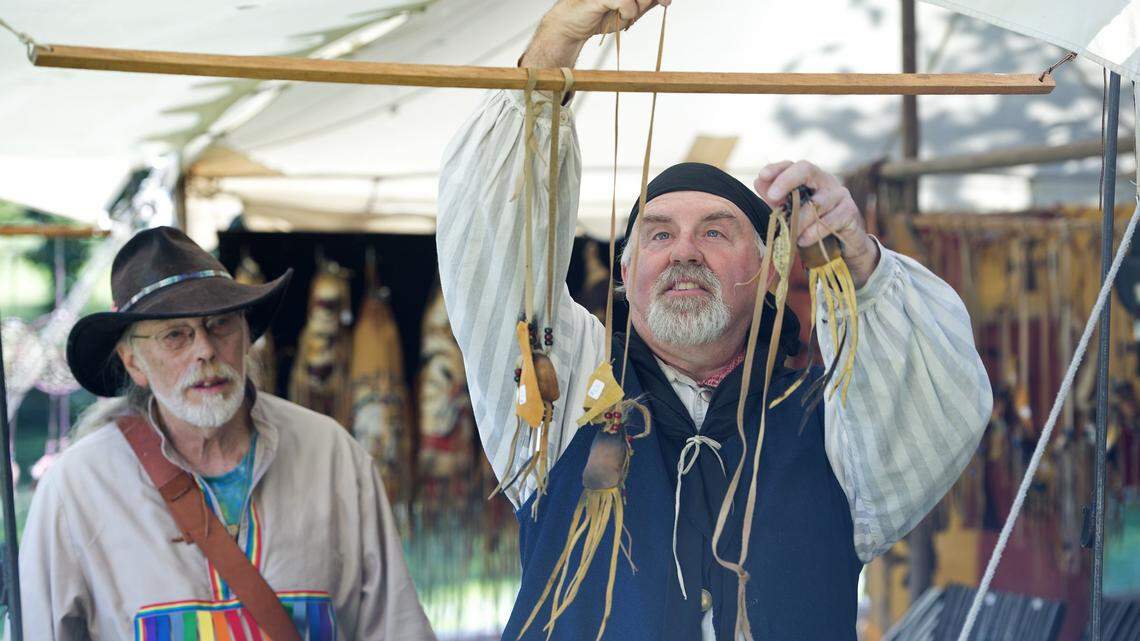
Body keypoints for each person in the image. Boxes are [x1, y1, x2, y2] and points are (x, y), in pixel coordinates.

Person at [436, 1, 992, 639]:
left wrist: (857, 259)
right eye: (659, 233)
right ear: (624, 274)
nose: (684, 251)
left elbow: (937, 407)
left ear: (769, 276)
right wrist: (553, 48)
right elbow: (492, 251)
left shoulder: (834, 426)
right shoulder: (565, 396)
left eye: (716, 232)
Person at [17, 227, 435, 640]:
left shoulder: (331, 456)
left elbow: (395, 624)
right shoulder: (79, 486)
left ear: (246, 336)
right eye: (175, 335)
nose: (205, 349)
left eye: (220, 325)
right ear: (134, 363)